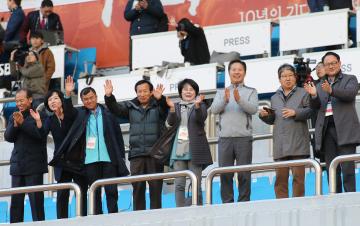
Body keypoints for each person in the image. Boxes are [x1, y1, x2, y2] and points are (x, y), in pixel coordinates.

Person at [50, 86, 129, 215]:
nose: (89, 101)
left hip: (109, 158)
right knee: (94, 193)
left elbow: (118, 137)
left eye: (91, 98)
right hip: (89, 160)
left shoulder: (108, 114)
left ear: (96, 97)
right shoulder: (80, 114)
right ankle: (97, 219)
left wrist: (121, 157)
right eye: (85, 99)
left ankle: (114, 218)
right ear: (82, 101)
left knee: (111, 191)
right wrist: (68, 94)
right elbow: (68, 111)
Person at [104, 79, 168, 210]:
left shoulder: (158, 106)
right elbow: (115, 109)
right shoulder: (130, 107)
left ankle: (156, 218)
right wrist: (109, 97)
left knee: (156, 189)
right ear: (136, 93)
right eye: (139, 91)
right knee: (137, 189)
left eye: (145, 91)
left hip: (155, 154)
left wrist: (160, 99)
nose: (142, 94)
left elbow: (166, 109)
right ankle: (139, 219)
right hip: (136, 155)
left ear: (151, 92)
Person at [304, 51, 360, 193]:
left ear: (340, 64)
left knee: (348, 170)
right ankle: (335, 199)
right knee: (332, 170)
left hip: (345, 130)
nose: (331, 66)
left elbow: (350, 94)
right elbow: (314, 107)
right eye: (328, 64)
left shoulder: (350, 79)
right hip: (326, 130)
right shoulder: (320, 84)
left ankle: (350, 200)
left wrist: (332, 90)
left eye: (334, 63)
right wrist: (314, 95)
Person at [259, 64, 312, 199]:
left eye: (290, 75)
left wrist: (296, 112)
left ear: (295, 77)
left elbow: (311, 111)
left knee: (298, 180)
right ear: (279, 79)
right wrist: (265, 116)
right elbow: (273, 119)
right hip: (280, 145)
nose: (287, 79)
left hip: (298, 143)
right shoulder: (274, 97)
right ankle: (282, 209)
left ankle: (298, 208)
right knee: (280, 181)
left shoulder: (304, 93)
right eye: (284, 76)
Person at [210, 59, 258, 203]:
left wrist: (239, 100)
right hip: (225, 139)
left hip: (244, 138)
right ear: (229, 72)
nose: (237, 72)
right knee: (225, 174)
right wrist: (225, 99)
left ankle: (244, 203)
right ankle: (227, 204)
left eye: (240, 69)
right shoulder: (221, 92)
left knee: (244, 174)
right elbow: (213, 110)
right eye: (233, 69)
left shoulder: (251, 91)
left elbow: (253, 109)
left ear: (244, 72)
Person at [42, 76, 87, 218]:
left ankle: (83, 220)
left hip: (77, 160)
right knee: (62, 195)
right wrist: (38, 122)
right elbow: (41, 134)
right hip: (61, 162)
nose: (52, 101)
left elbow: (71, 112)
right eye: (50, 100)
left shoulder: (73, 114)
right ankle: (62, 221)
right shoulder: (49, 120)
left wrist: (68, 94)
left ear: (61, 100)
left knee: (81, 193)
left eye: (55, 98)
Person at [165, 79, 212, 207]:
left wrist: (196, 106)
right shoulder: (176, 106)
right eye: (185, 89)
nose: (188, 92)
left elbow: (200, 118)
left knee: (196, 182)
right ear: (180, 92)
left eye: (191, 89)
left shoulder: (201, 105)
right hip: (178, 150)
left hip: (194, 149)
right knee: (179, 184)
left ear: (196, 92)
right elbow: (170, 122)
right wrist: (172, 109)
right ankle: (180, 210)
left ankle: (198, 208)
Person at [4, 88, 47, 223]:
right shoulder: (13, 116)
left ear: (30, 100)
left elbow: (39, 135)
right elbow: (8, 137)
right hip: (17, 166)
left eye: (21, 100)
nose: (19, 103)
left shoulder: (40, 114)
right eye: (17, 101)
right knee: (16, 204)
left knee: (36, 204)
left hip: (34, 166)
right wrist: (15, 125)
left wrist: (23, 123)